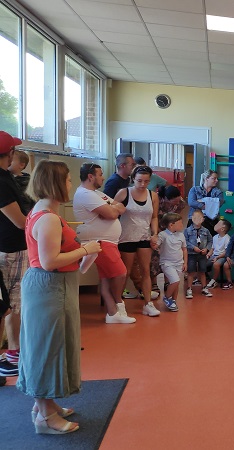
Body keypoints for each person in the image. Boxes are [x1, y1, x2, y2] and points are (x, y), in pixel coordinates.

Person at [17, 160, 102, 435]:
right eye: (67, 180)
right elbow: (49, 261)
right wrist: (86, 249)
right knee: (47, 348)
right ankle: (45, 416)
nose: (70, 184)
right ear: (55, 183)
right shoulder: (48, 218)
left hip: (53, 286)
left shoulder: (43, 212)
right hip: (50, 287)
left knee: (49, 345)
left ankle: (46, 404)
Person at [73, 163, 136, 324]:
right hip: (100, 240)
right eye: (100, 174)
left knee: (107, 278)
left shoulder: (97, 194)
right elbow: (112, 213)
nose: (103, 177)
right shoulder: (85, 194)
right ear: (90, 176)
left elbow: (121, 207)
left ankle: (112, 312)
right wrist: (112, 210)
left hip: (108, 241)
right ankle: (118, 305)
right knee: (120, 273)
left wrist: (113, 209)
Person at [114, 165, 161, 317]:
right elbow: (112, 212)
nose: (142, 184)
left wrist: (154, 233)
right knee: (125, 272)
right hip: (126, 237)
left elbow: (154, 217)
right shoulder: (124, 193)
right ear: (133, 179)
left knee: (145, 270)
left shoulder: (153, 196)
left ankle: (148, 303)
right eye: (139, 181)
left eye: (146, 181)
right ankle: (118, 304)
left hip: (144, 236)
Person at [0, 132, 27, 377]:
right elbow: (19, 221)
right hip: (8, 250)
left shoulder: (7, 177)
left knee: (11, 304)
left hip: (11, 248)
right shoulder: (1, 181)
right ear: (9, 153)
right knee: (9, 305)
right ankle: (11, 354)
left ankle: (12, 352)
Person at [154, 213, 186, 312]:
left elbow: (184, 249)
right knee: (175, 280)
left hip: (179, 263)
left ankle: (173, 301)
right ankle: (167, 297)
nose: (182, 225)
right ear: (171, 225)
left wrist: (185, 263)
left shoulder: (181, 235)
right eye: (180, 223)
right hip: (167, 263)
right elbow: (156, 245)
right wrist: (154, 243)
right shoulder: (163, 235)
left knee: (176, 283)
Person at [184, 210, 213, 299]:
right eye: (195, 218)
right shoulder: (187, 230)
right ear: (192, 218)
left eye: (199, 218)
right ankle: (189, 288)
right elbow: (185, 241)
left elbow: (210, 241)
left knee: (202, 271)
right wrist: (193, 247)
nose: (197, 220)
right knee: (191, 272)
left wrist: (207, 249)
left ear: (203, 219)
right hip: (191, 254)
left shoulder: (206, 231)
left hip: (202, 255)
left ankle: (204, 288)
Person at [187, 170, 225, 235]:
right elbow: (191, 202)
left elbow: (220, 202)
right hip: (195, 218)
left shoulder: (218, 192)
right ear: (206, 178)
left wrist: (201, 201)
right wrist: (209, 204)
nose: (216, 180)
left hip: (211, 220)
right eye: (214, 178)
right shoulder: (195, 189)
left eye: (217, 178)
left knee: (211, 237)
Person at [8, 149, 35, 215]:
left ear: (21, 165)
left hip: (24, 212)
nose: (8, 162)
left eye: (11, 160)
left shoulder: (26, 181)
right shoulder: (7, 177)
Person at [206, 219, 231, 289]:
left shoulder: (227, 238)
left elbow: (226, 252)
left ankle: (214, 280)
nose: (215, 225)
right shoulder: (214, 237)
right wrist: (208, 255)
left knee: (216, 264)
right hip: (214, 255)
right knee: (202, 262)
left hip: (222, 256)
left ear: (222, 229)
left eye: (218, 224)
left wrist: (217, 257)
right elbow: (212, 249)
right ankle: (204, 278)